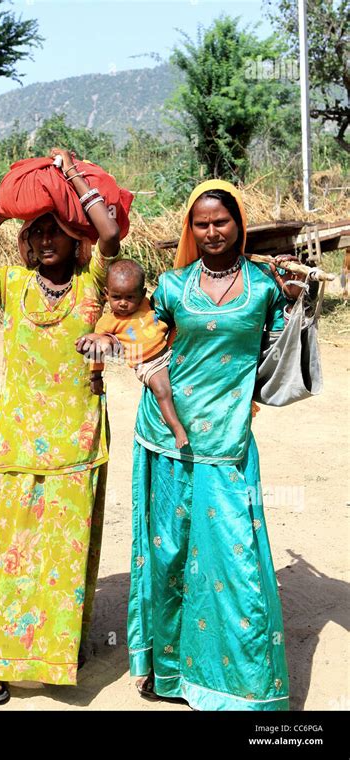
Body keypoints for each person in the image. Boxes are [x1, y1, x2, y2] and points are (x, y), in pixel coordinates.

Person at [0, 147, 121, 704]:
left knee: (60, 556)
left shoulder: (92, 286)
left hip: (76, 441)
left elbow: (111, 237)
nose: (42, 242)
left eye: (53, 232)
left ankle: (55, 648)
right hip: (15, 441)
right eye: (34, 233)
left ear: (73, 238)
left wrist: (71, 176)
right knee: (5, 550)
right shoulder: (12, 284)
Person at [127, 179, 305, 711]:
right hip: (167, 440)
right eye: (200, 223)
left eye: (221, 222)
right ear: (190, 228)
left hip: (227, 443)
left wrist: (301, 303)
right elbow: (141, 339)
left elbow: (282, 359)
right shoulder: (172, 285)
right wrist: (116, 344)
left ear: (239, 224)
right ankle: (170, 673)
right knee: (170, 554)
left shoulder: (266, 285)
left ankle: (242, 691)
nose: (211, 232)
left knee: (236, 562)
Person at [75, 258, 189, 448]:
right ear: (106, 294)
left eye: (129, 297)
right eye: (116, 297)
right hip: (149, 364)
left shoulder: (147, 304)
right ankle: (177, 430)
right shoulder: (108, 322)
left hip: (169, 350)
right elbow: (97, 353)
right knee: (163, 391)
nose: (123, 303)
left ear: (142, 293)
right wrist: (96, 376)